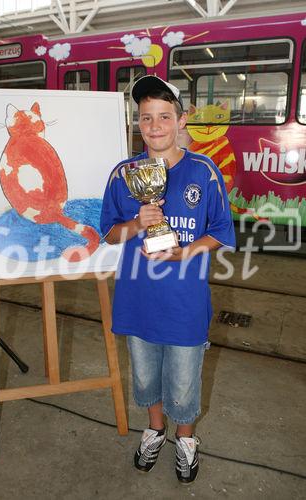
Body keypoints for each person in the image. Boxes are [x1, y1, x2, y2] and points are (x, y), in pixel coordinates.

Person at [100, 75, 235, 483]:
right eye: (145, 118)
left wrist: (183, 252)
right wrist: (135, 223)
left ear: (180, 120)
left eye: (163, 116)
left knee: (183, 381)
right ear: (137, 124)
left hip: (184, 303)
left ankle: (186, 439)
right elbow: (108, 233)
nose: (155, 126)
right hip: (137, 301)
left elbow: (220, 232)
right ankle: (155, 429)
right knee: (145, 377)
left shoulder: (204, 171)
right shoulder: (124, 173)